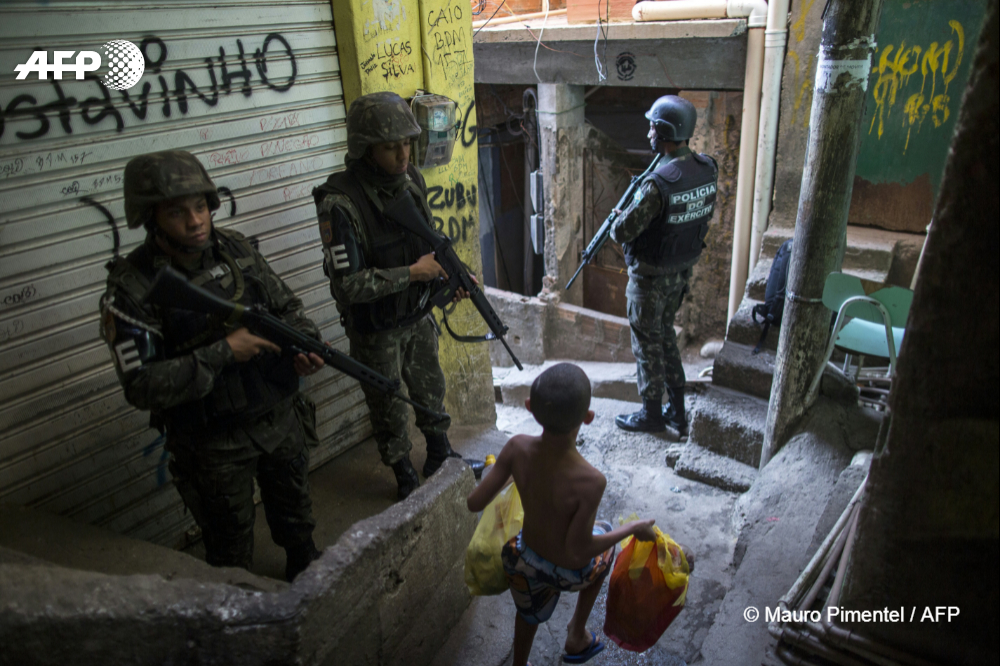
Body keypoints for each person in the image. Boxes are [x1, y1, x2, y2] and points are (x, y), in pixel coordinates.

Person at [100, 150, 324, 582]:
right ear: (150, 218)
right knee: (229, 553)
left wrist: (304, 345)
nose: (195, 221)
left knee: (298, 520)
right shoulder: (133, 288)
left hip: (278, 419)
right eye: (177, 212)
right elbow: (141, 385)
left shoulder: (236, 249)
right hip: (212, 444)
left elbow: (288, 307)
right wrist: (223, 351)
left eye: (201, 206)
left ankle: (305, 571)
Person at [312, 91, 483, 501]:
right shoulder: (340, 204)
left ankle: (440, 453)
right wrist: (412, 273)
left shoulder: (411, 181)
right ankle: (403, 472)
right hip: (377, 329)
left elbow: (428, 242)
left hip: (417, 314)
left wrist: (451, 275)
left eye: (407, 143)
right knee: (388, 407)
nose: (403, 155)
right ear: (365, 149)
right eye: (391, 147)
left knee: (430, 388)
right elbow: (348, 286)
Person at [466, 363, 658, 666]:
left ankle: (519, 664)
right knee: (607, 536)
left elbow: (474, 502)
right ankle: (576, 634)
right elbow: (578, 551)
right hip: (569, 572)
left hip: (523, 561)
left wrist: (506, 470)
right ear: (588, 418)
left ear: (529, 407)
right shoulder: (591, 481)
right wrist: (632, 528)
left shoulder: (516, 448)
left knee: (527, 613)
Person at [611, 95, 719, 437]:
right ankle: (678, 410)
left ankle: (651, 414)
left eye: (652, 128)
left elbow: (622, 231)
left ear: (665, 132)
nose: (648, 134)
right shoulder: (707, 168)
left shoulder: (657, 184)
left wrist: (619, 217)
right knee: (666, 337)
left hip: (650, 279)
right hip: (680, 272)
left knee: (647, 345)